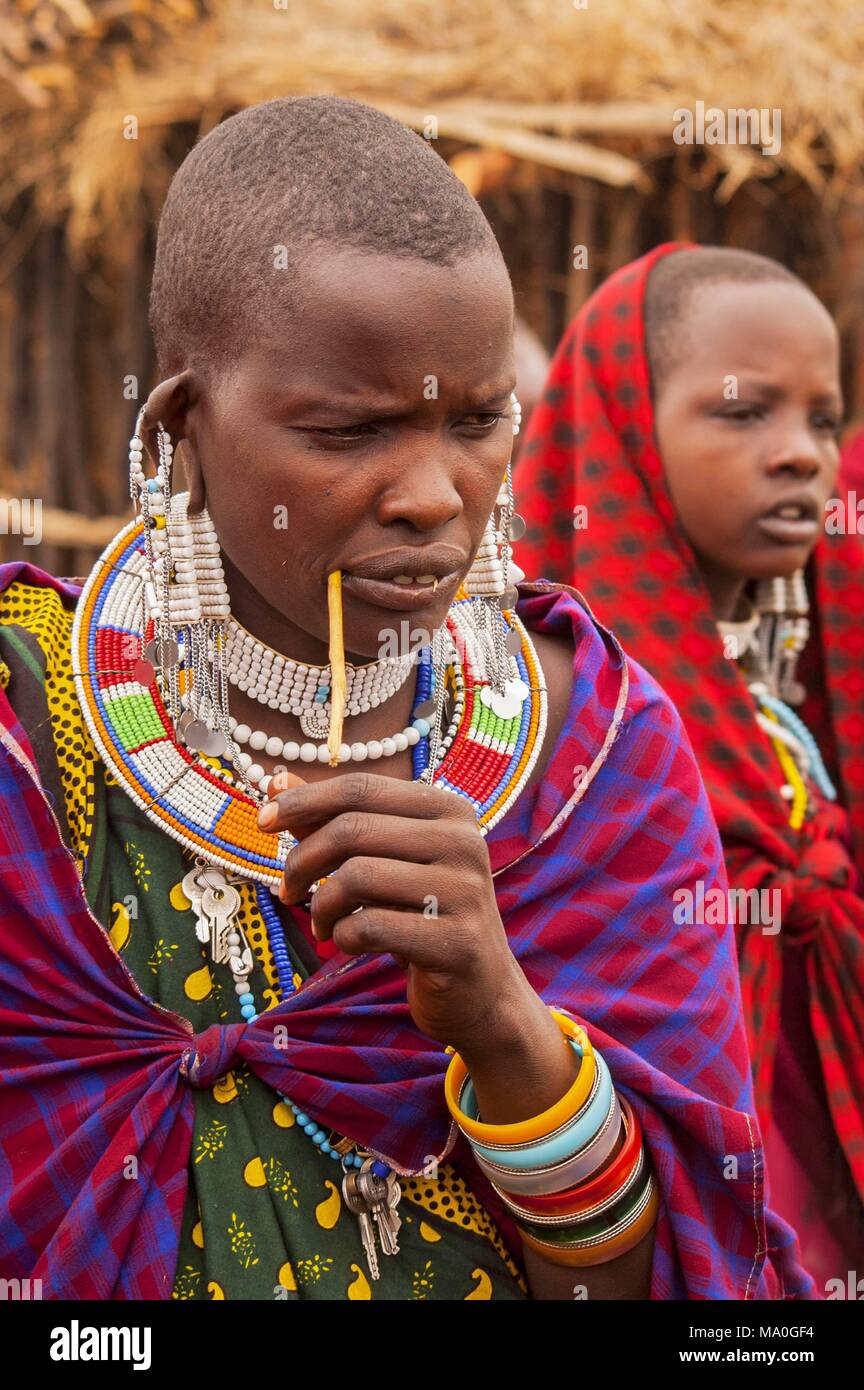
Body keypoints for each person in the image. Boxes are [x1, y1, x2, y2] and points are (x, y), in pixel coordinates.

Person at [0, 103, 813, 1301]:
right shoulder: (24, 725)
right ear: (183, 427)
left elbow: (666, 1285)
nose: (437, 494)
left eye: (478, 421)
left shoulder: (594, 748)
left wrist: (502, 1022)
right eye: (354, 430)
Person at [513, 241, 864, 1290]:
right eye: (744, 411)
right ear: (624, 431)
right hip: (640, 1194)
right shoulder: (558, 702)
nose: (802, 452)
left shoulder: (795, 690)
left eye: (822, 419)